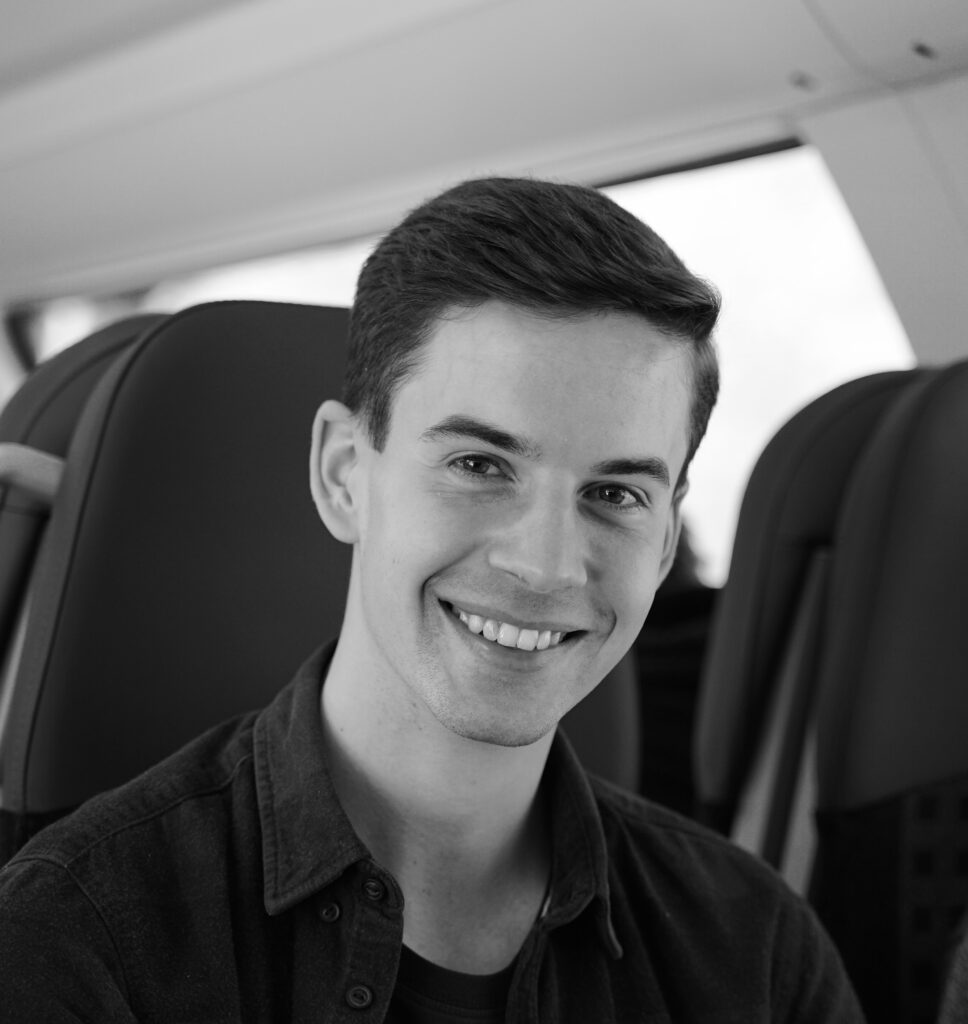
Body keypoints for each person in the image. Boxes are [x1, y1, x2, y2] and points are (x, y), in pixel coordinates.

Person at [0, 177, 863, 1022]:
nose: (546, 567)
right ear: (345, 474)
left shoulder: (756, 952)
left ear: (667, 538)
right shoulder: (73, 941)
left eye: (614, 495)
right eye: (479, 465)